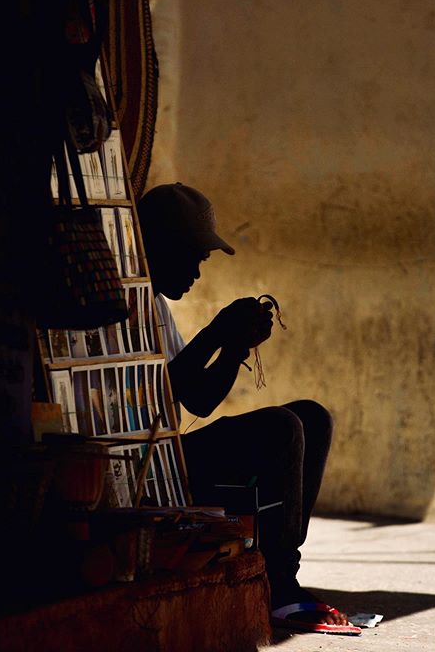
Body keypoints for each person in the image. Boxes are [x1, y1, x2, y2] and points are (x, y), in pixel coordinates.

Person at [137, 182, 357, 634]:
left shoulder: (157, 303)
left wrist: (234, 344)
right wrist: (217, 333)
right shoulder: (127, 304)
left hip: (173, 459)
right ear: (157, 246)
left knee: (311, 417)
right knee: (281, 427)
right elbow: (157, 395)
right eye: (193, 258)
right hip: (145, 473)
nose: (198, 273)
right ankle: (280, 584)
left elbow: (197, 397)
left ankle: (284, 575)